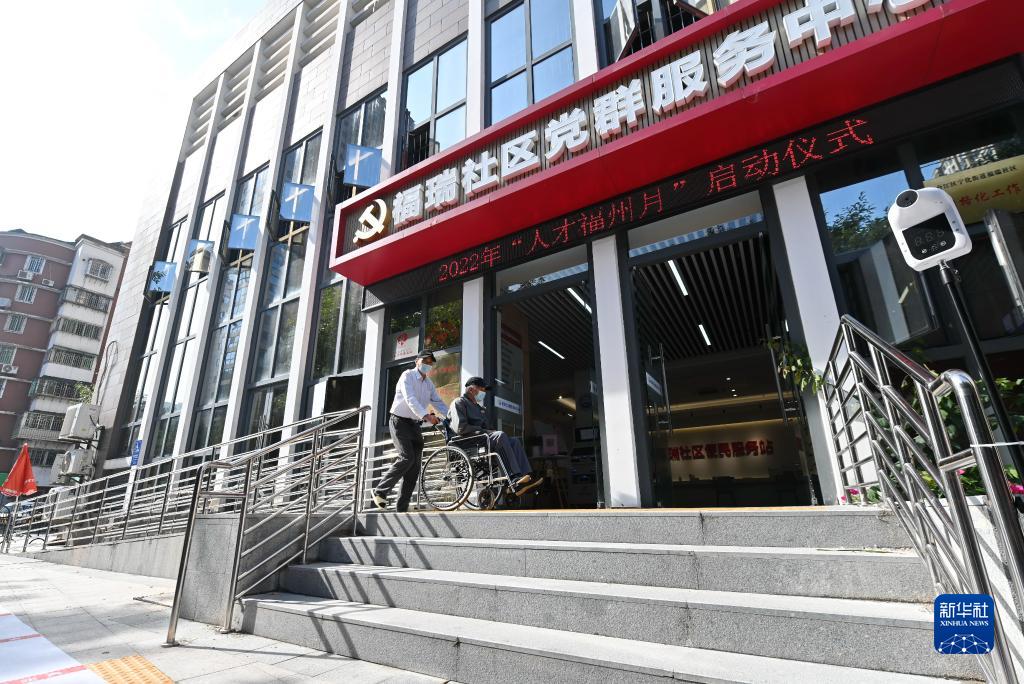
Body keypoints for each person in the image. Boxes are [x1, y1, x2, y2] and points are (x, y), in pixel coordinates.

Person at [372, 350, 449, 512]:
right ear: (417, 361)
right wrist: (426, 416)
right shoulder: (407, 376)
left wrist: (451, 416)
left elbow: (438, 402)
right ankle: (380, 490)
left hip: (414, 425)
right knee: (407, 457)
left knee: (414, 468)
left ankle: (402, 507)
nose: (428, 364)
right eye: (425, 361)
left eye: (430, 362)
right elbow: (410, 399)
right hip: (399, 421)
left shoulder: (429, 384)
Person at [449, 377, 544, 496]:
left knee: (514, 441)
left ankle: (526, 477)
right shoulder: (459, 402)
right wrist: (485, 431)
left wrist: (488, 431)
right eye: (481, 389)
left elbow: (489, 429)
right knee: (499, 435)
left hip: (482, 440)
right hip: (467, 441)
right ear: (471, 390)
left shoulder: (479, 409)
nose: (483, 393)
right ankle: (513, 478)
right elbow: (460, 428)